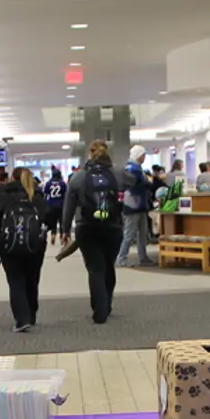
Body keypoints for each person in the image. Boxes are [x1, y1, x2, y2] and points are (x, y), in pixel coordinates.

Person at [61, 139, 126, 324]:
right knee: (108, 265)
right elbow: (138, 183)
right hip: (113, 227)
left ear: (90, 153)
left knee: (95, 268)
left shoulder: (78, 177)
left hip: (87, 228)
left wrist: (65, 229)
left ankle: (100, 310)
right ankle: (107, 303)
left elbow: (69, 206)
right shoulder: (119, 174)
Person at [0, 167, 48, 332]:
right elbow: (46, 219)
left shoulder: (3, 196)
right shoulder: (38, 196)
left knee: (16, 281)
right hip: (35, 246)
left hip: (9, 246)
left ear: (12, 178)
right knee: (32, 279)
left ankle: (22, 318)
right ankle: (31, 314)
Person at [117, 145, 155, 268]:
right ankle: (121, 258)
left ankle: (142, 257)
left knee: (142, 233)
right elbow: (139, 184)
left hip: (140, 204)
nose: (144, 157)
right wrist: (149, 183)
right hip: (133, 204)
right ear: (138, 155)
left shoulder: (136, 168)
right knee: (129, 233)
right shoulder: (132, 169)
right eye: (143, 155)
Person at [42, 167, 67, 245]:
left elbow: (46, 194)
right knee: (61, 221)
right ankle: (62, 237)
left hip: (51, 204)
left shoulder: (49, 183)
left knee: (53, 222)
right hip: (61, 204)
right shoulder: (62, 183)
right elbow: (65, 194)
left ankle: (53, 235)